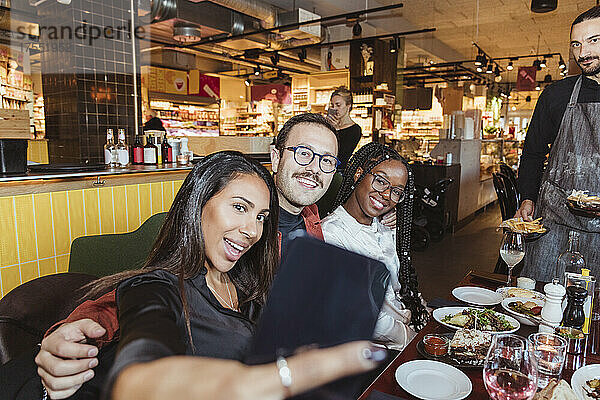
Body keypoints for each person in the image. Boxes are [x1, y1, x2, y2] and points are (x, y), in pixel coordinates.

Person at [34, 113, 341, 397]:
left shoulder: (310, 223)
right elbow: (145, 297)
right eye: (304, 153)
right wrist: (73, 336)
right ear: (277, 156)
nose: (315, 168)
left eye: (327, 161)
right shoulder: (228, 241)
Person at [515, 6, 600, 281]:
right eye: (576, 44)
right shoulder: (556, 95)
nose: (583, 53)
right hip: (553, 226)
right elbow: (532, 153)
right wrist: (527, 197)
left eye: (593, 40)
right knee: (537, 303)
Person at [321, 143, 429, 350]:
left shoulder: (384, 224)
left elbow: (399, 286)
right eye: (381, 181)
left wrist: (422, 312)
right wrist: (411, 338)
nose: (387, 195)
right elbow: (366, 318)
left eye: (396, 191)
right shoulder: (332, 235)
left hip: (408, 323)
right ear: (358, 175)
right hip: (377, 349)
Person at [326, 86, 362, 172]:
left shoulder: (354, 130)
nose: (335, 108)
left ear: (348, 106)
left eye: (338, 105)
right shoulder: (329, 126)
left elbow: (341, 155)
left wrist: (334, 131)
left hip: (338, 172)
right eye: (332, 105)